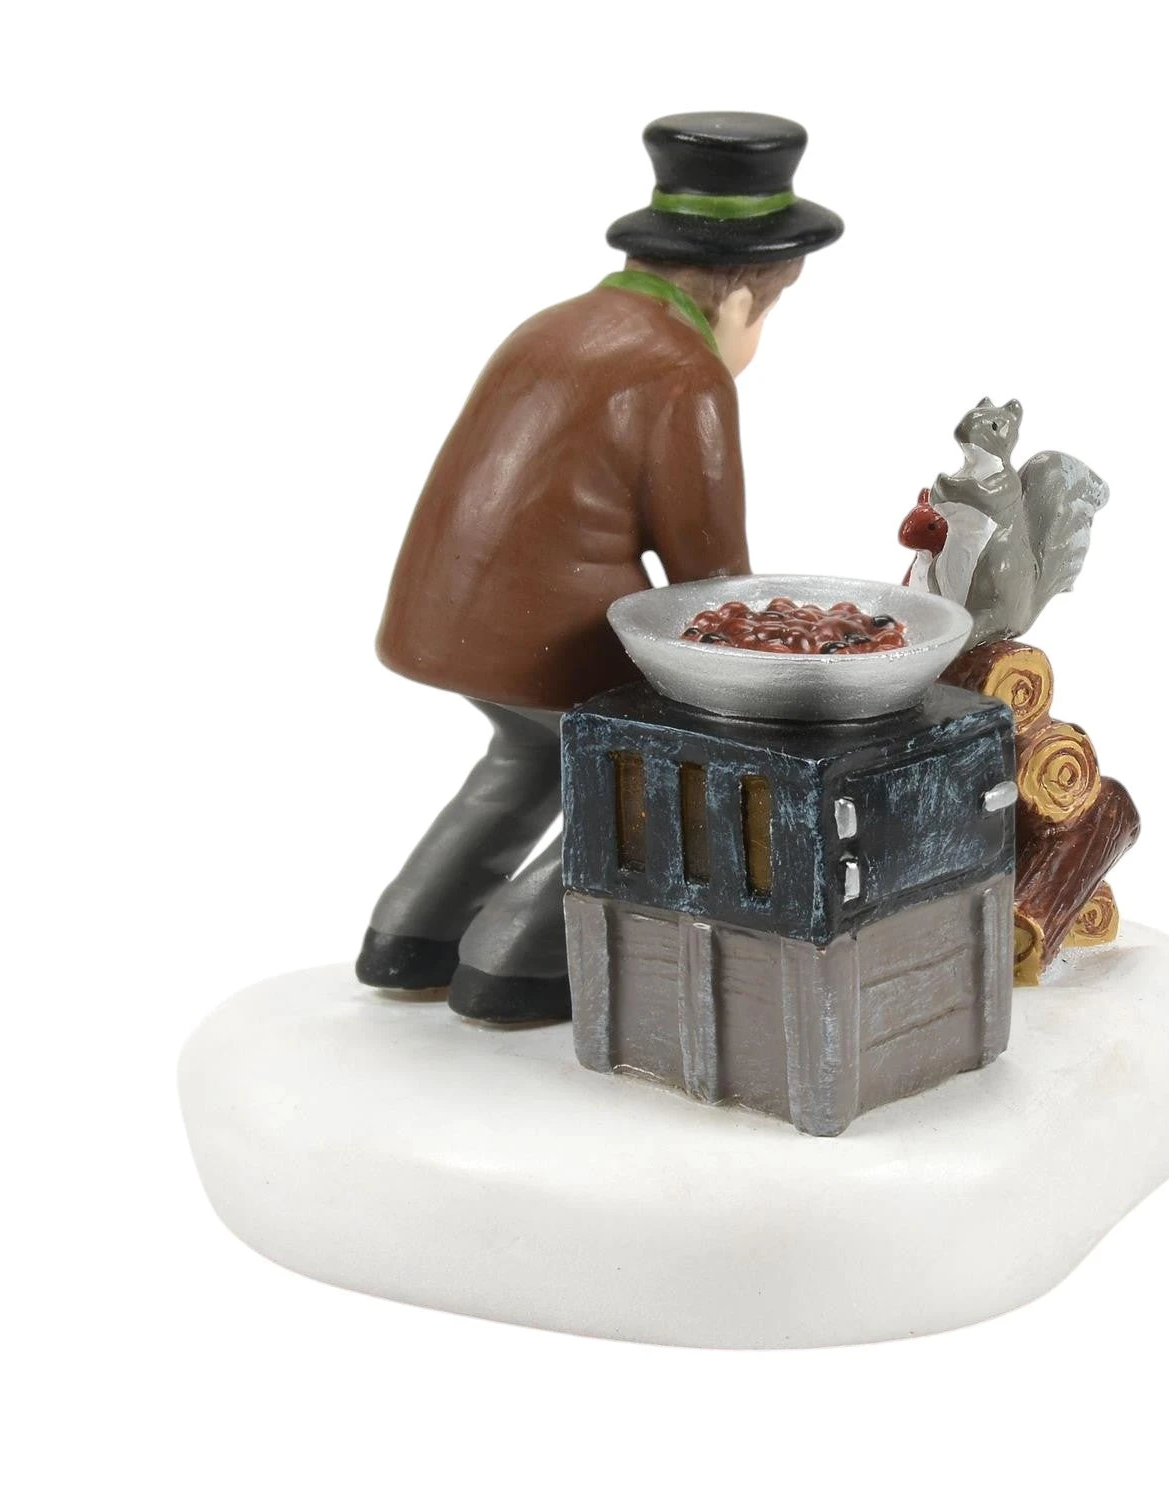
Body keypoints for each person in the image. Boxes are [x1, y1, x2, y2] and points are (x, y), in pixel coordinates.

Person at [356, 112, 843, 1022]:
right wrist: (772, 665)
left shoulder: (555, 324)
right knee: (654, 771)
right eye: (769, 316)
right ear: (743, 301)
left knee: (530, 754)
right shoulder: (683, 370)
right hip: (548, 639)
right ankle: (516, 963)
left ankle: (409, 934)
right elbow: (710, 582)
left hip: (443, 616)